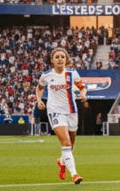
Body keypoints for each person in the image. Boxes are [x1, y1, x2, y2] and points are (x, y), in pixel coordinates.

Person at [36, 48, 87, 185]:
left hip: (71, 111)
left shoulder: (72, 73)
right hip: (55, 111)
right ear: (52, 60)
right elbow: (39, 88)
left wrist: (82, 93)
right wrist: (39, 100)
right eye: (57, 57)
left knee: (70, 145)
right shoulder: (46, 75)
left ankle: (62, 161)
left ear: (66, 59)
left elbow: (82, 86)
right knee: (66, 143)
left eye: (62, 57)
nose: (59, 59)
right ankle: (74, 174)